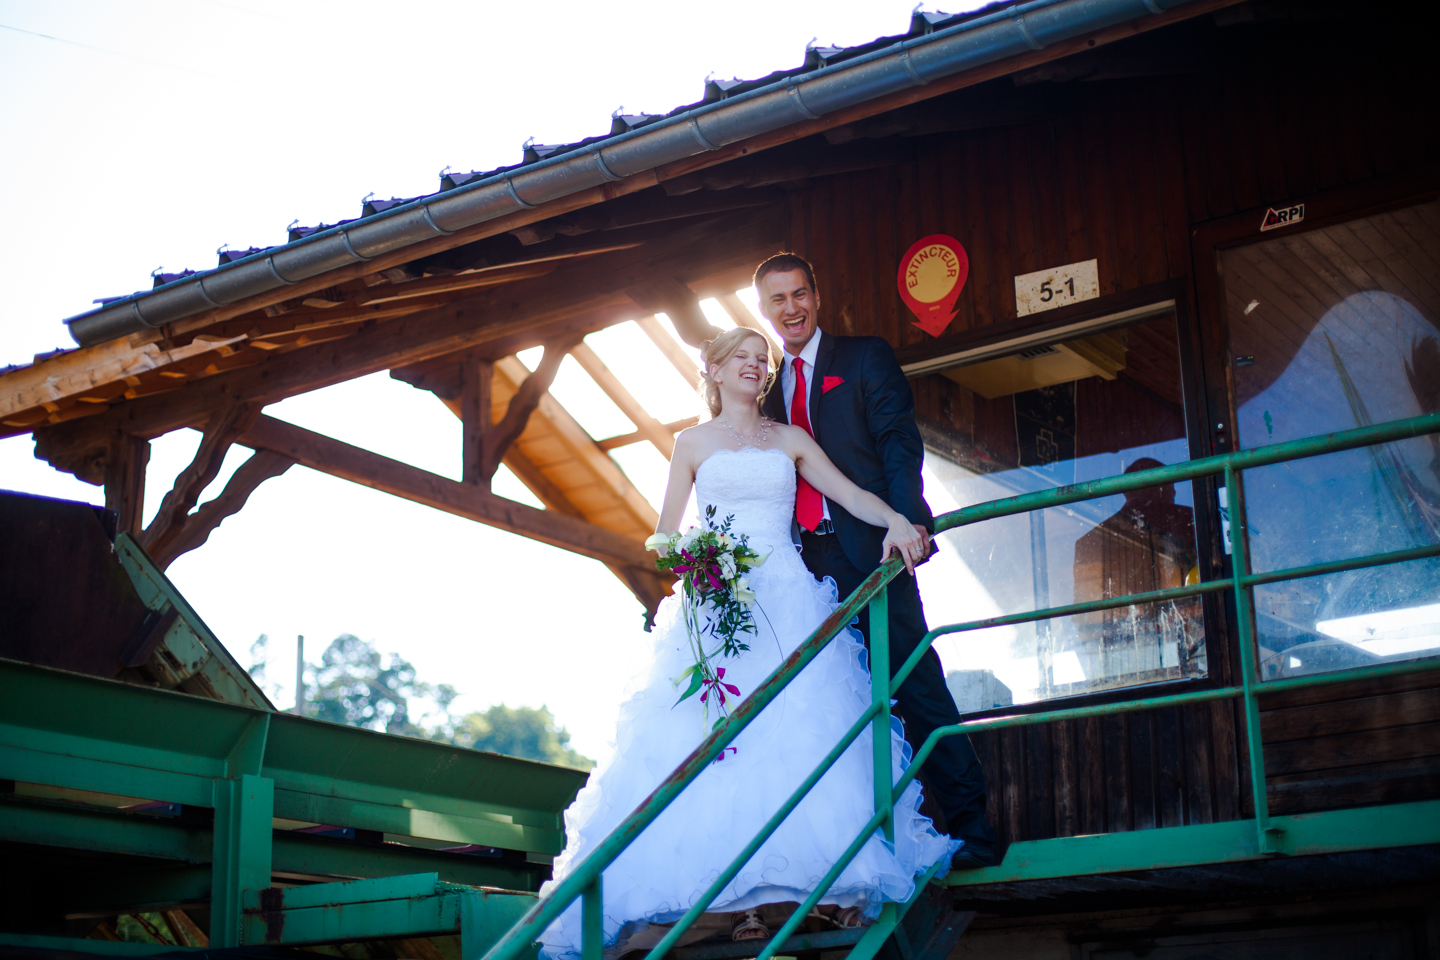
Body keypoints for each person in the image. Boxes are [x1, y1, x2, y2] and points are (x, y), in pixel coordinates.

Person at [538, 327, 958, 960]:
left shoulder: (789, 439)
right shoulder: (690, 444)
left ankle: (820, 883)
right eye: (742, 358)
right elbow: (665, 538)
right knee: (721, 744)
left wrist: (898, 519)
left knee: (801, 734)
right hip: (717, 606)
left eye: (762, 360)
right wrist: (699, 559)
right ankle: (738, 903)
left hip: (787, 599)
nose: (756, 367)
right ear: (714, 369)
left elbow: (847, 494)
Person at [754, 253, 998, 869]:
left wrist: (907, 522)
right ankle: (859, 849)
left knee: (914, 682)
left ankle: (974, 827)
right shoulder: (765, 390)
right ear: (763, 310)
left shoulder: (864, 357)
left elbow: (898, 442)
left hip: (873, 548)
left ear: (816, 296)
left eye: (800, 294)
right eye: (778, 299)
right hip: (801, 567)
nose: (791, 308)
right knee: (831, 700)